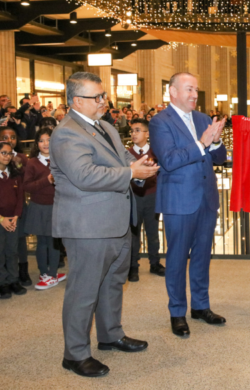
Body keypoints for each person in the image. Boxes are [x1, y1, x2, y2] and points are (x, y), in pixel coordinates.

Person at [50, 72, 158, 378]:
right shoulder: (66, 132)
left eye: (103, 95)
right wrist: (130, 173)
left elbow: (123, 159)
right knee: (83, 291)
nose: (103, 101)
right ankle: (75, 354)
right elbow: (85, 175)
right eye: (97, 97)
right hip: (87, 227)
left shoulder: (106, 126)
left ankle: (110, 335)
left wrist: (141, 168)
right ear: (76, 101)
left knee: (112, 284)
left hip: (116, 222)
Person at [149, 72, 227, 338]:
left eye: (196, 90)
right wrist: (202, 142)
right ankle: (177, 312)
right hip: (179, 201)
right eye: (189, 89)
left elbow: (219, 158)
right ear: (172, 91)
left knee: (203, 256)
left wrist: (216, 141)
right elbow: (169, 160)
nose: (195, 95)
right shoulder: (160, 122)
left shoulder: (204, 119)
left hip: (205, 198)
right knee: (177, 258)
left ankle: (201, 306)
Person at [23, 127, 66, 290]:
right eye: (41, 140)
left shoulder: (59, 160)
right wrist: (46, 180)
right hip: (39, 207)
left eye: (48, 140)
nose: (45, 143)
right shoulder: (32, 162)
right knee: (42, 242)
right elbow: (27, 186)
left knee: (54, 242)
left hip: (56, 206)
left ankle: (53, 273)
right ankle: (44, 273)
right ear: (36, 143)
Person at [127, 118, 164, 282]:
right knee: (134, 233)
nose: (134, 134)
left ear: (147, 133)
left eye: (137, 130)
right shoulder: (127, 153)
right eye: (132, 131)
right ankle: (133, 266)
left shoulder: (156, 152)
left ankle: (155, 263)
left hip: (152, 196)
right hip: (133, 197)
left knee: (153, 231)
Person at [0, 141, 26, 299]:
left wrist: (16, 216)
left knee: (12, 251)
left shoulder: (15, 175)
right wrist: (2, 219)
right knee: (0, 253)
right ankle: (2, 283)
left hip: (13, 220)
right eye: (4, 152)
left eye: (10, 153)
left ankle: (13, 279)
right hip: (1, 220)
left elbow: (20, 198)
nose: (7, 156)